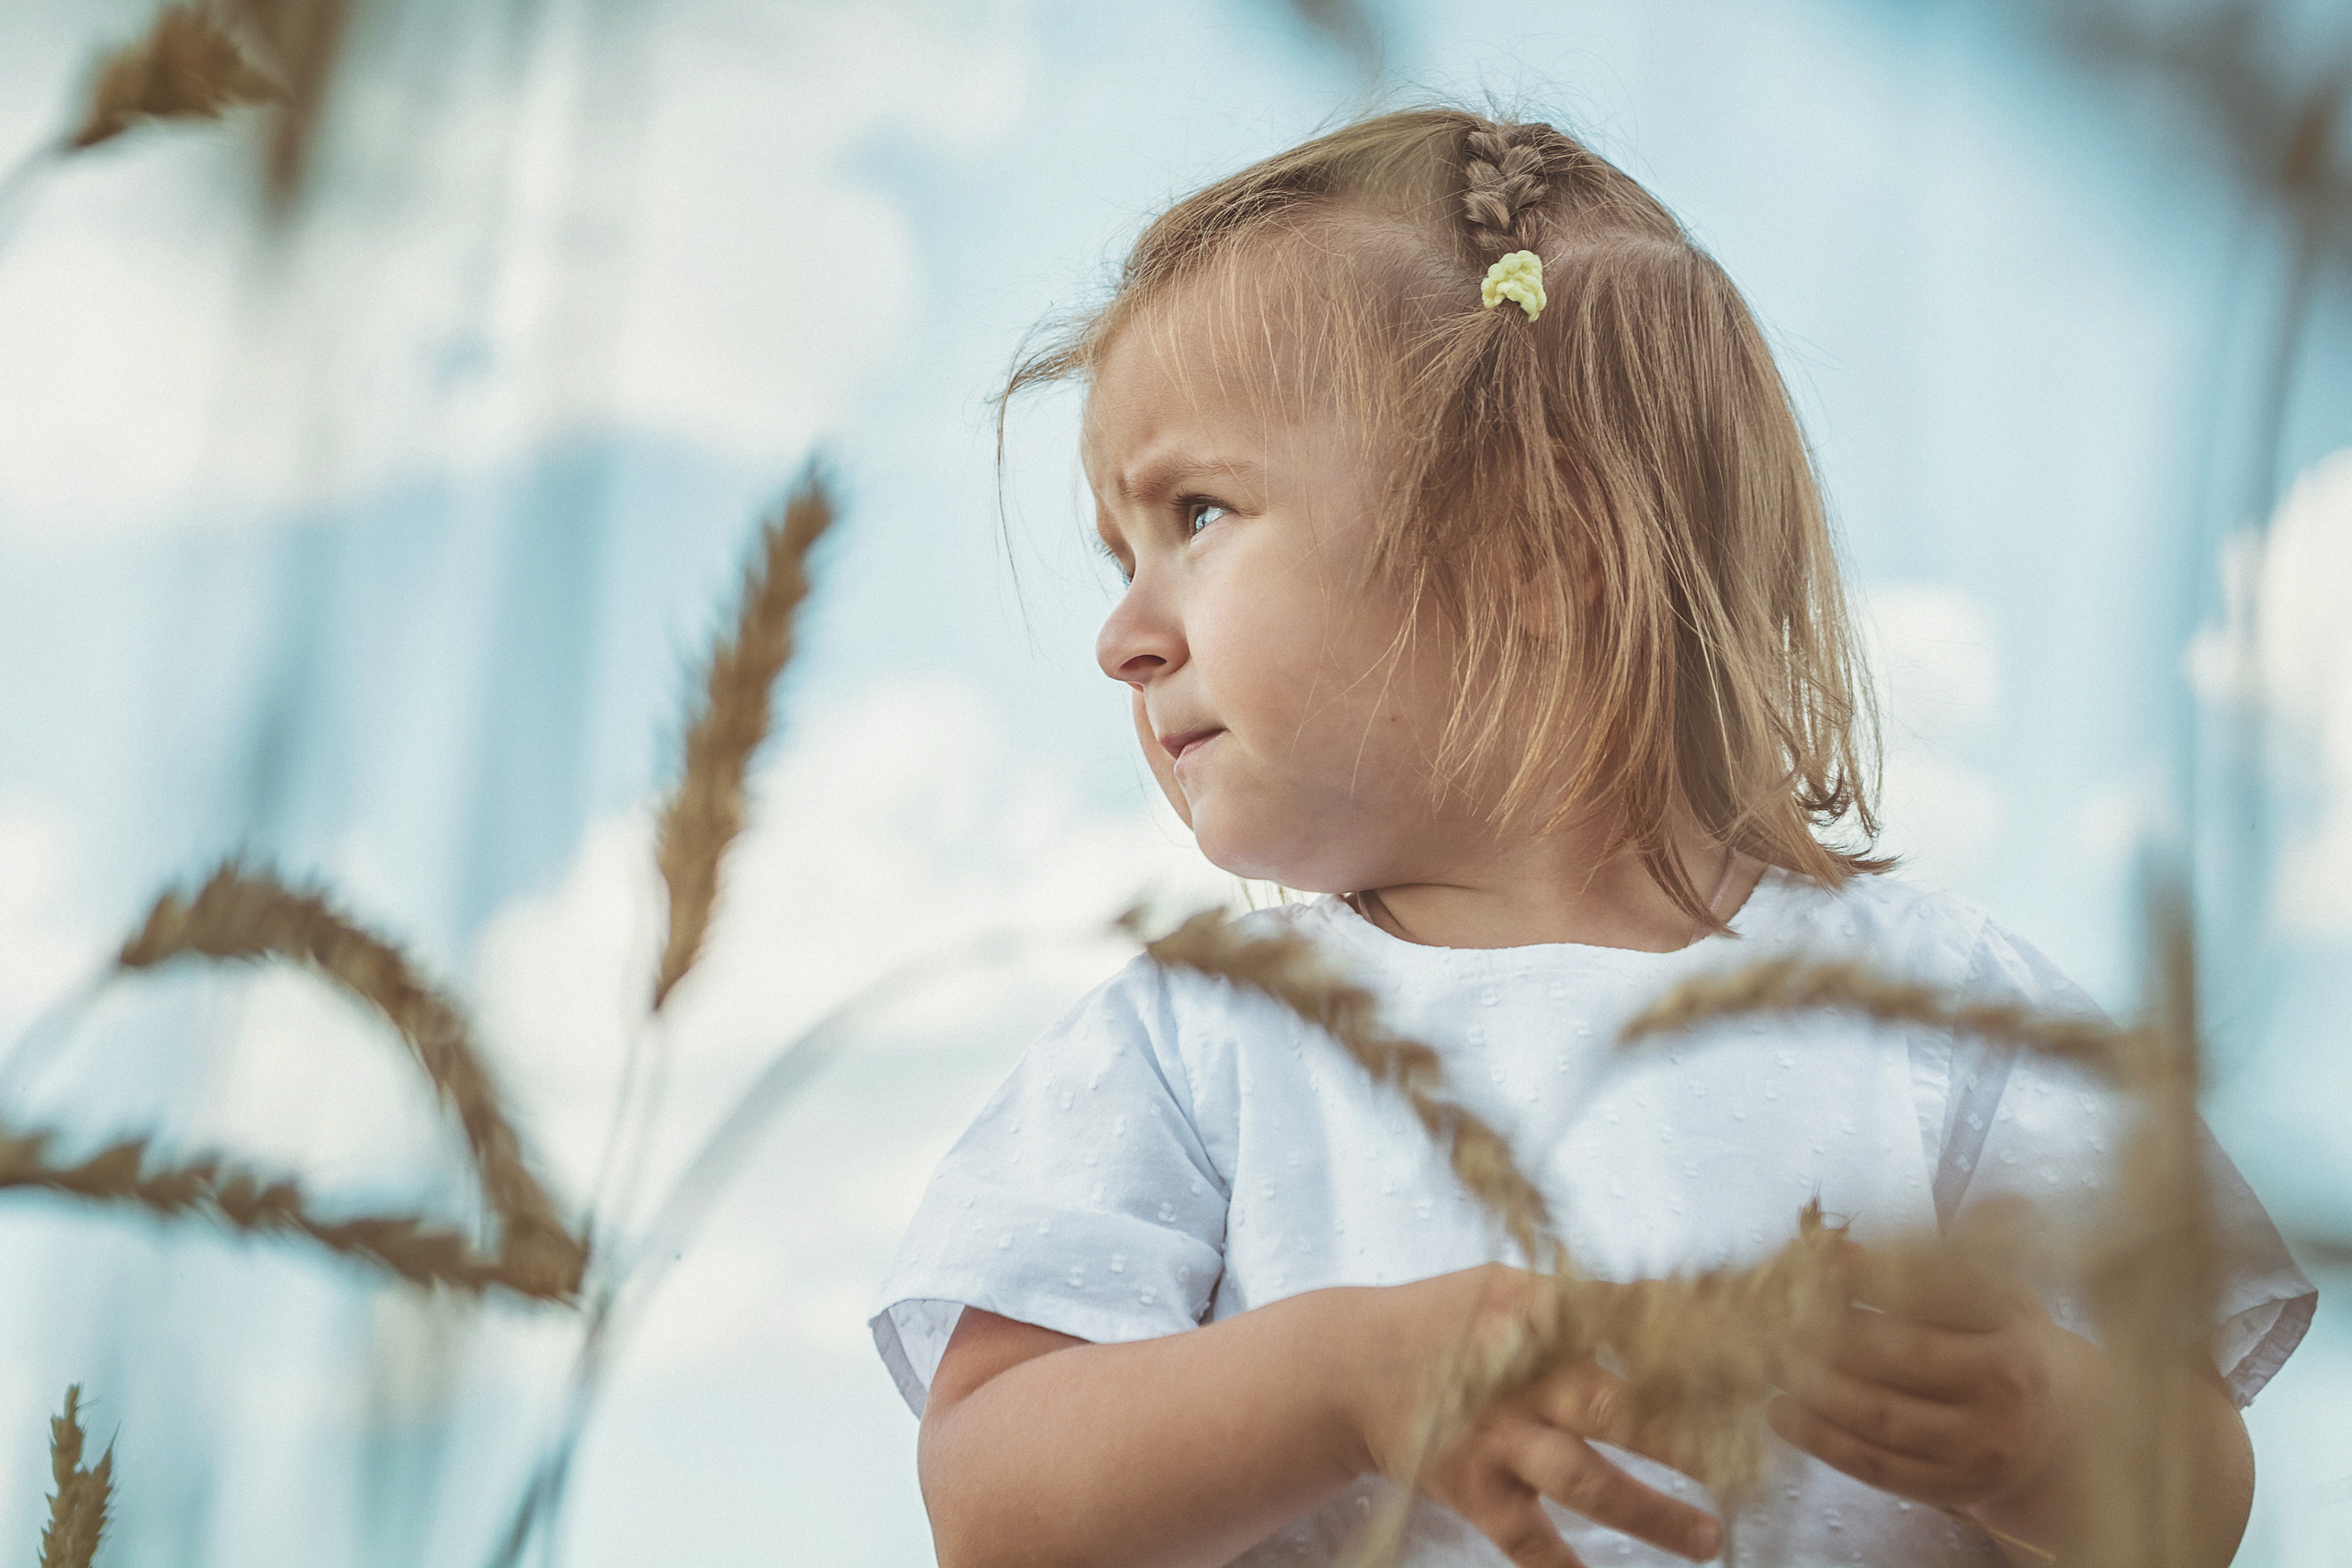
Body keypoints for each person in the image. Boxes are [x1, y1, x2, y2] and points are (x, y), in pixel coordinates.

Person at [866, 107, 2314, 1568]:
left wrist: (2042, 1428)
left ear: (1532, 551)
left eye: (1198, 513)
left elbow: (2194, 1496)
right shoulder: (1198, 1035)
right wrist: (1335, 1383)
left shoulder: (1949, 1020)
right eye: (1123, 556)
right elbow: (992, 1493)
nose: (1122, 636)